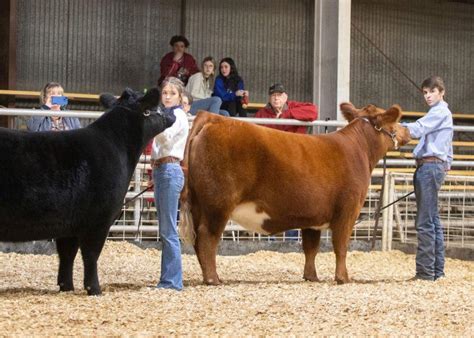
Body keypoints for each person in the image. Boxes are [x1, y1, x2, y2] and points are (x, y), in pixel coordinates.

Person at [402, 76, 453, 281]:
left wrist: (395, 126)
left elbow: (418, 128)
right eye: (425, 92)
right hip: (433, 166)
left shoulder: (439, 112)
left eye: (432, 92)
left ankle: (425, 273)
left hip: (430, 166)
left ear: (441, 92)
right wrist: (445, 165)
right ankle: (436, 271)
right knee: (433, 220)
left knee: (425, 221)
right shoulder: (441, 113)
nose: (428, 96)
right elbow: (448, 148)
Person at [256, 83, 318, 240]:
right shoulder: (262, 114)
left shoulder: (292, 107)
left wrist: (287, 115)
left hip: (293, 163)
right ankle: (269, 239)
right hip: (271, 164)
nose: (276, 98)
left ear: (285, 97)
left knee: (294, 203)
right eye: (273, 95)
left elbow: (313, 111)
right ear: (269, 98)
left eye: (279, 95)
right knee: (269, 203)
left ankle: (292, 240)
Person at [151, 77, 189, 290]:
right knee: (165, 229)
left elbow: (165, 138)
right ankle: (168, 279)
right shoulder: (165, 115)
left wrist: (152, 125)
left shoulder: (177, 116)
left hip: (169, 169)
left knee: (168, 230)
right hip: (161, 170)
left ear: (180, 96)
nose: (167, 96)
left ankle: (172, 281)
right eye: (164, 93)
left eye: (171, 93)